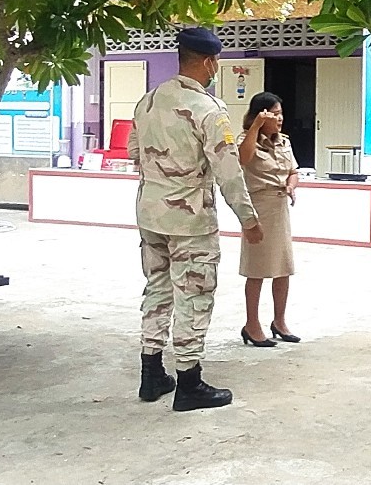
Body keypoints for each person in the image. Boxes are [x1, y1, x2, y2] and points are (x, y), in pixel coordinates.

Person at [127, 26, 264, 412]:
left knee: (157, 289)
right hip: (190, 221)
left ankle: (151, 374)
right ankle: (189, 383)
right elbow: (228, 171)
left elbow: (134, 153)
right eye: (216, 61)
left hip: (150, 214)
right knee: (193, 295)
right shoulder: (209, 109)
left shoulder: (148, 101)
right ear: (208, 62)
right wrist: (249, 219)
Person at [234, 92, 302, 347]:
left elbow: (293, 171)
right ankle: (251, 324)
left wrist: (291, 185)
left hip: (280, 209)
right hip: (258, 209)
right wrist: (256, 127)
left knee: (283, 268)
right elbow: (244, 159)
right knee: (257, 270)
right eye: (274, 114)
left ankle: (279, 322)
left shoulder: (284, 141)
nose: (279, 119)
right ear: (259, 115)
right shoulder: (246, 139)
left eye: (280, 113)